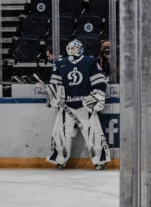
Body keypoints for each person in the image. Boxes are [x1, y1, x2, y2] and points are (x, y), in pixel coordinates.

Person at [45, 39, 110, 170]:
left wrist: (97, 96)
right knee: (61, 133)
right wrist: (54, 96)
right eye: (72, 48)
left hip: (86, 105)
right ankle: (60, 159)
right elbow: (54, 84)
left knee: (94, 133)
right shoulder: (61, 63)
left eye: (76, 48)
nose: (74, 50)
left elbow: (99, 81)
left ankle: (99, 160)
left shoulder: (89, 61)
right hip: (67, 105)